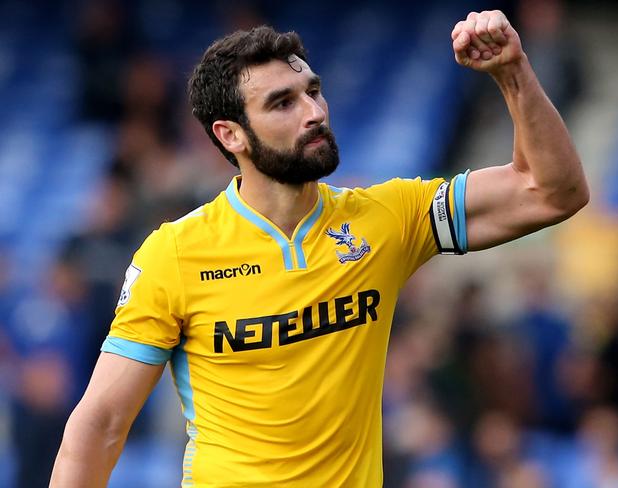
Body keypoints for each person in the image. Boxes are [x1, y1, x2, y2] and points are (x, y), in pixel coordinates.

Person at [50, 10, 589, 487]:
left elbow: (552, 191)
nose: (313, 112)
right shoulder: (175, 254)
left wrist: (512, 73)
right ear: (231, 135)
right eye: (282, 102)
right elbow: (101, 424)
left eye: (312, 90)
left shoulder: (386, 218)